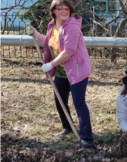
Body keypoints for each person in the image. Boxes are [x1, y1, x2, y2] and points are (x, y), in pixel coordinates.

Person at [27, 0, 93, 148]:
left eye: (67, 9)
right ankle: (68, 126)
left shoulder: (72, 27)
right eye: (60, 9)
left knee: (79, 103)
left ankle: (86, 138)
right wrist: (36, 34)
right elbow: (51, 43)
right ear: (54, 11)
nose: (64, 11)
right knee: (59, 100)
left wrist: (50, 64)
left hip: (77, 70)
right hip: (63, 72)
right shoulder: (53, 26)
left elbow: (68, 52)